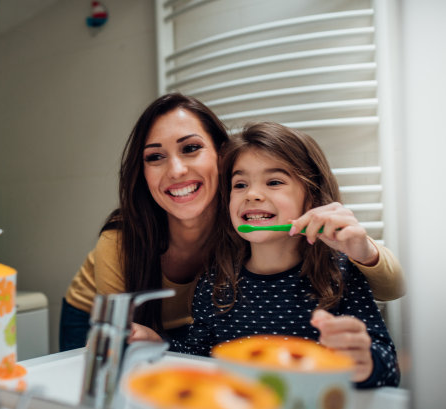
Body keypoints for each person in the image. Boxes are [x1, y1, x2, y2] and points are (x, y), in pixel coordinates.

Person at [60, 93, 405, 352]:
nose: (176, 170)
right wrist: (159, 342)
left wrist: (362, 249)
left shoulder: (255, 228)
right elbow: (184, 345)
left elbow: (391, 293)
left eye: (191, 148)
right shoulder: (126, 243)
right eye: (155, 157)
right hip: (120, 323)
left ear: (222, 155)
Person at [131, 122, 400, 387]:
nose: (253, 194)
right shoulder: (215, 282)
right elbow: (200, 357)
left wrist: (364, 362)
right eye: (240, 185)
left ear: (312, 200)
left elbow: (389, 368)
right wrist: (159, 343)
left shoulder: (339, 274)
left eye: (274, 182)